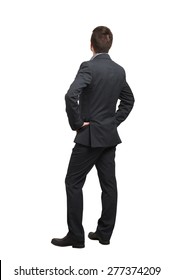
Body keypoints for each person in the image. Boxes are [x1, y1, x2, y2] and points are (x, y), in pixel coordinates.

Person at [51, 26, 135, 248]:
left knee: (73, 182)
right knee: (109, 186)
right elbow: (129, 100)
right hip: (108, 137)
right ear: (110, 44)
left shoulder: (88, 67)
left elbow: (71, 95)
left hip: (90, 137)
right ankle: (104, 234)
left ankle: (76, 237)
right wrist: (113, 122)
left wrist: (77, 123)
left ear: (91, 44)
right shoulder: (119, 71)